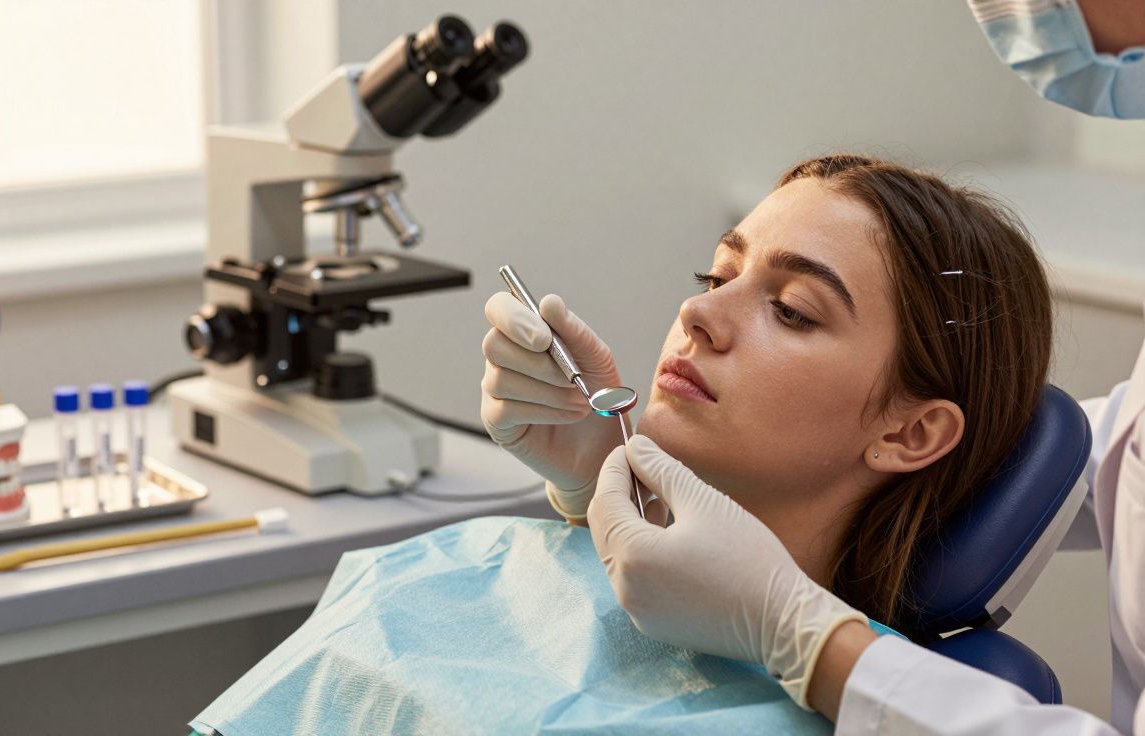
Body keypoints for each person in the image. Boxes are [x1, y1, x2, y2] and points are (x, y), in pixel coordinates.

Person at [485, 0, 1145, 733]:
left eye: (793, 310)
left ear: (913, 432)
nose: (697, 314)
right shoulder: (483, 576)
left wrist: (803, 633)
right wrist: (606, 491)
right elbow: (1127, 460)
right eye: (715, 276)